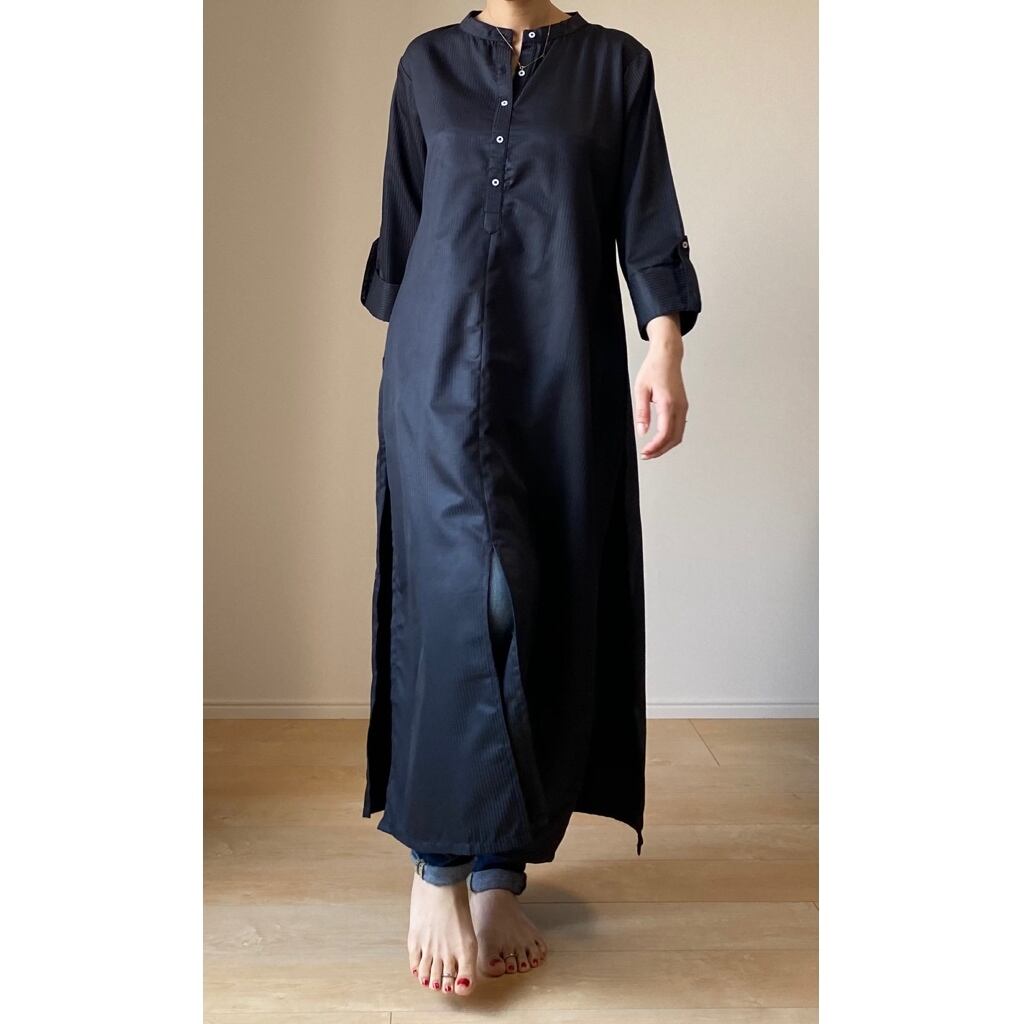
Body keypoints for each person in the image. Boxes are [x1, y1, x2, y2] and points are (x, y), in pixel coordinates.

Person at [360, 1, 701, 997]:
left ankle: (500, 871)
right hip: (435, 375)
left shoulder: (616, 69)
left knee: (542, 597)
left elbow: (647, 221)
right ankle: (436, 865)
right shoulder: (425, 66)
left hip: (561, 372)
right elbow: (403, 239)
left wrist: (665, 351)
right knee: (458, 603)